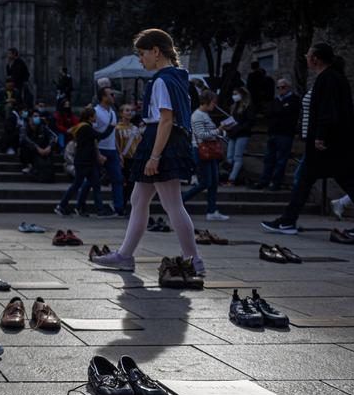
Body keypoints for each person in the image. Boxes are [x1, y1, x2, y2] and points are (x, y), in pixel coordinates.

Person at [92, 29, 204, 276]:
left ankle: (193, 260)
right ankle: (125, 255)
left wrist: (154, 156)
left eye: (142, 54)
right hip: (165, 139)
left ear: (156, 51)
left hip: (160, 139)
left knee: (172, 203)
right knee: (139, 199)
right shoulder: (176, 77)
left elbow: (166, 119)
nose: (140, 59)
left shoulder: (163, 80)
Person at [262, 43, 354, 236]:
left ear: (315, 58)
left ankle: (288, 221)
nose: (306, 57)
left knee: (327, 180)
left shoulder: (328, 78)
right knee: (322, 180)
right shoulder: (329, 78)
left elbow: (327, 110)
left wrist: (320, 136)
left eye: (308, 55)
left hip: (328, 143)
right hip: (331, 142)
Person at [183, 90, 231, 220]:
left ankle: (212, 210)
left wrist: (222, 132)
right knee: (205, 182)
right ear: (207, 102)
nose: (214, 105)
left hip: (209, 152)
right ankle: (180, 201)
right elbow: (201, 135)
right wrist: (219, 130)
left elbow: (210, 133)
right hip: (201, 151)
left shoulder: (205, 115)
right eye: (213, 103)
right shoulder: (198, 115)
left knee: (214, 182)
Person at [55, 106, 109, 216]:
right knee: (78, 185)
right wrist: (112, 127)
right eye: (94, 115)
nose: (96, 117)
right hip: (84, 162)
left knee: (94, 185)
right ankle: (61, 206)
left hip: (87, 161)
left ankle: (95, 209)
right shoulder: (86, 128)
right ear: (90, 117)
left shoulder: (83, 127)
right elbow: (101, 135)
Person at [254, 78, 301, 190]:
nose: (280, 89)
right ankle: (264, 180)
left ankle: (275, 182)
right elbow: (269, 112)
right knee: (268, 159)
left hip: (285, 134)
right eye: (278, 87)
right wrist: (278, 111)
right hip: (273, 133)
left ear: (288, 87)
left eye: (283, 87)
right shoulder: (276, 100)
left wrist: (277, 111)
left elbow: (283, 112)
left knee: (281, 160)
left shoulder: (294, 100)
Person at [93, 87, 123, 216]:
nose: (113, 96)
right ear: (103, 97)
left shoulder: (113, 112)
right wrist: (97, 153)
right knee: (93, 180)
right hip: (100, 149)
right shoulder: (95, 111)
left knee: (117, 178)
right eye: (111, 94)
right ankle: (98, 207)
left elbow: (113, 134)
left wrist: (118, 151)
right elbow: (93, 135)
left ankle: (118, 207)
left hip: (112, 150)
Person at [223, 86, 254, 185]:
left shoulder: (248, 107)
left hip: (242, 134)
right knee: (229, 157)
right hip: (233, 134)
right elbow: (232, 119)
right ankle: (232, 175)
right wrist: (225, 125)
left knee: (237, 156)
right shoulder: (234, 106)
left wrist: (237, 128)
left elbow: (249, 122)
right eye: (234, 94)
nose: (234, 96)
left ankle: (231, 178)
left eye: (236, 94)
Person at [21, 113, 58, 182]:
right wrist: (37, 148)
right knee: (24, 144)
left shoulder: (43, 127)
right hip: (31, 150)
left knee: (52, 144)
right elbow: (25, 138)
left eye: (38, 116)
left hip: (43, 150)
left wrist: (49, 146)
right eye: (35, 116)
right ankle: (28, 165)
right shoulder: (24, 127)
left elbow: (54, 136)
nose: (37, 118)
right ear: (30, 118)